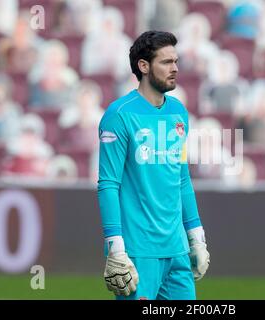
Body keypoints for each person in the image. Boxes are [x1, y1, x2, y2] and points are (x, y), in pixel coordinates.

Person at [97, 31, 210, 300]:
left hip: (177, 249)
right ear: (144, 66)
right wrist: (115, 247)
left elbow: (182, 179)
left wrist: (196, 236)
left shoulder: (178, 111)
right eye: (166, 62)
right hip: (138, 252)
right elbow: (108, 184)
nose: (175, 69)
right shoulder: (119, 115)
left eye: (176, 61)